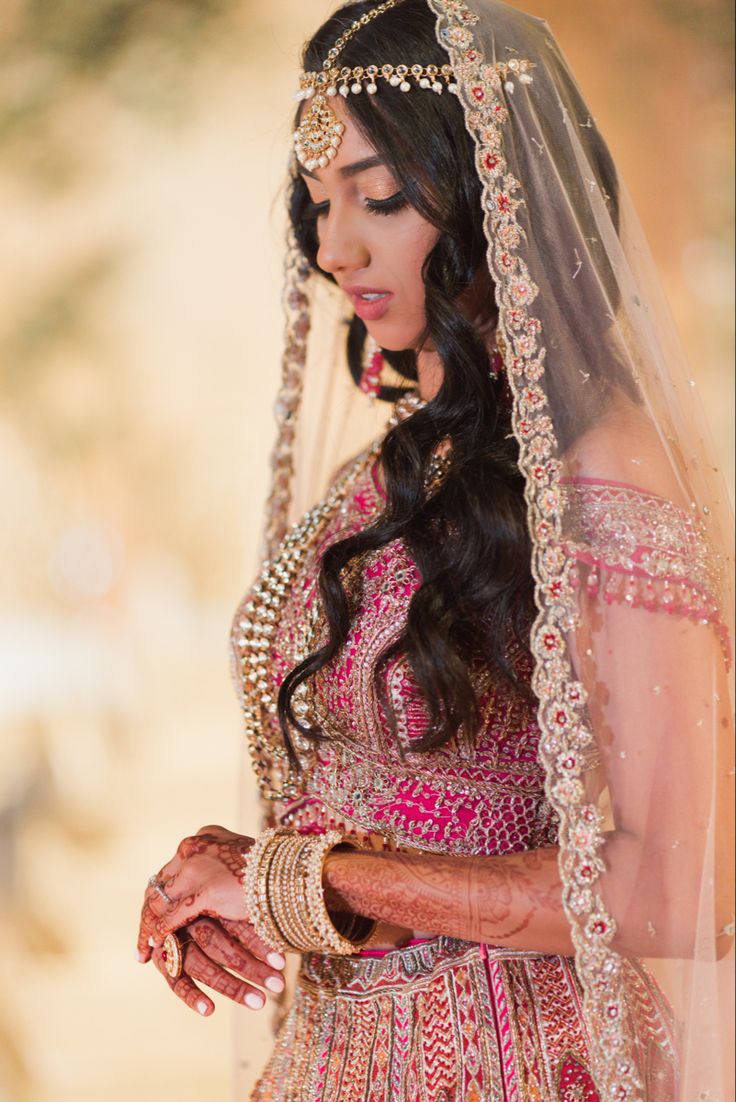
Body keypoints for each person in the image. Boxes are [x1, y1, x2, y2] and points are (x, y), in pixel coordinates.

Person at [137, 2, 735, 1099]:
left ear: (483, 191)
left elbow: (680, 884)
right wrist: (230, 871)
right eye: (319, 204)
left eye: (379, 197)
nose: (334, 247)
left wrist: (308, 877)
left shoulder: (602, 474)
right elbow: (354, 805)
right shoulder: (376, 481)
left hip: (522, 1064)